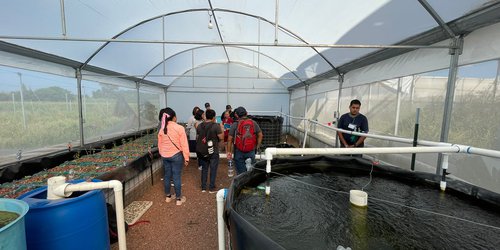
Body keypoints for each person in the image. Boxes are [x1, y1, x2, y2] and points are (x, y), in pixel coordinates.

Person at [157, 107, 190, 205]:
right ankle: (178, 199)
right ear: (173, 117)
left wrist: (162, 153)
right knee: (176, 176)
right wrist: (186, 157)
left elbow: (160, 144)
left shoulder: (161, 129)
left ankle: (168, 196)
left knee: (167, 175)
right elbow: (184, 144)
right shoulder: (179, 128)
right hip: (176, 155)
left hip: (165, 156)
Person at [227, 106, 263, 175]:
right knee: (251, 172)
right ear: (246, 113)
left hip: (238, 151)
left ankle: (242, 184)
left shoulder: (235, 124)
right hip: (251, 150)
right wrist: (257, 146)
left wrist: (229, 151)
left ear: (236, 115)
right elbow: (260, 135)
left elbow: (229, 139)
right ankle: (250, 183)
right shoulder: (253, 123)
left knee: (241, 174)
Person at [196, 109, 223, 193]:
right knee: (213, 169)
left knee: (204, 169)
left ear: (205, 116)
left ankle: (203, 187)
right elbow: (221, 137)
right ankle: (211, 187)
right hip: (213, 150)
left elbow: (197, 138)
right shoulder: (216, 126)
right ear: (214, 117)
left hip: (202, 151)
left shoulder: (200, 126)